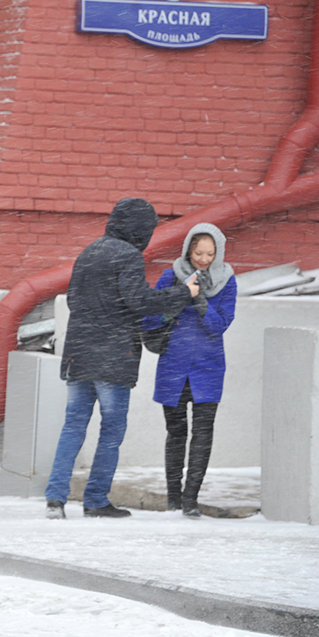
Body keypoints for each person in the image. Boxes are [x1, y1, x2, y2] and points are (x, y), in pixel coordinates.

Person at [44, 197, 198, 520]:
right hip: (113, 357)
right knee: (111, 430)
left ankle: (55, 499)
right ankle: (96, 499)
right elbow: (140, 301)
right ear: (140, 228)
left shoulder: (89, 251)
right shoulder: (128, 255)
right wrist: (184, 293)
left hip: (79, 354)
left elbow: (73, 298)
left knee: (73, 425)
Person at [143, 223, 237, 518]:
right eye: (198, 253)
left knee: (203, 433)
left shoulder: (227, 282)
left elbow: (219, 326)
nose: (204, 260)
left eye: (210, 254)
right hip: (174, 365)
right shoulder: (171, 276)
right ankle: (173, 498)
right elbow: (150, 320)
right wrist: (179, 297)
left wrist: (200, 302)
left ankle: (191, 500)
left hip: (208, 367)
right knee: (176, 432)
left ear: (218, 253)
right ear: (188, 250)